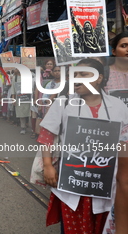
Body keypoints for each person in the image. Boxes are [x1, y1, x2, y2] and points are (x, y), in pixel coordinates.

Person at [39, 58, 128, 234]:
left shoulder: (117, 106)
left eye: (84, 74)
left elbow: (124, 142)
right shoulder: (63, 102)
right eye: (75, 75)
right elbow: (46, 136)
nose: (77, 78)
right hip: (72, 182)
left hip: (106, 182)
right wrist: (48, 166)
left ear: (99, 78)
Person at [103, 32, 128, 233]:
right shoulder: (105, 76)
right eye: (124, 45)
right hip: (113, 137)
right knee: (118, 183)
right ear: (114, 51)